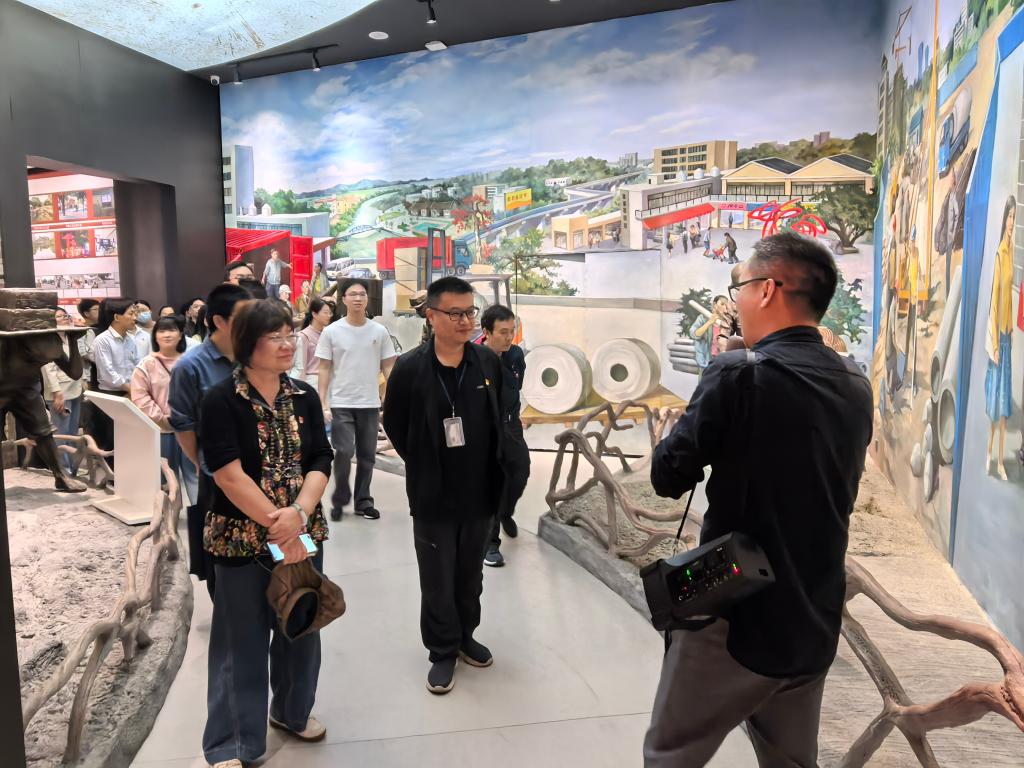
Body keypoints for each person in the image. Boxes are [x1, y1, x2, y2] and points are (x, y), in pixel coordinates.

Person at [643, 232, 872, 767]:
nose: (737, 300)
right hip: (813, 613)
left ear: (767, 289)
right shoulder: (854, 382)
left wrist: (687, 413)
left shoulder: (738, 373)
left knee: (670, 755)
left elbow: (667, 475)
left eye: (739, 287)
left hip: (734, 609)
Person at [198, 299, 332, 766]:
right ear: (246, 343)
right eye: (274, 336)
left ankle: (292, 712)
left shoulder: (304, 395)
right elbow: (227, 474)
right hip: (240, 537)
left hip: (303, 527)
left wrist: (300, 513)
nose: (286, 344)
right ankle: (233, 743)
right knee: (241, 639)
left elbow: (321, 457)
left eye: (289, 334)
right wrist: (281, 524)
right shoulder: (220, 399)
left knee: (301, 623)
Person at [382, 276, 506, 695]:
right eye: (455, 313)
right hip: (433, 493)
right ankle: (442, 650)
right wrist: (422, 463)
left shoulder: (486, 363)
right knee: (437, 575)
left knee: (470, 574)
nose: (466, 321)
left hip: (480, 491)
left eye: (470, 312)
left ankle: (465, 635)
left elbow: (501, 417)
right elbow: (394, 423)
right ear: (431, 316)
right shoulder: (410, 369)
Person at [169, 283, 255, 597]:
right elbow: (183, 426)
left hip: (261, 472)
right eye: (245, 317)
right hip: (219, 477)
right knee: (223, 557)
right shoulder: (190, 367)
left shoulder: (255, 356)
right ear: (219, 320)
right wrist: (203, 463)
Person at [316, 278, 397, 521]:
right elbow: (324, 368)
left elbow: (389, 367)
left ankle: (363, 501)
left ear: (367, 299)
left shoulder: (379, 331)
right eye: (353, 294)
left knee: (367, 454)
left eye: (362, 294)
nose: (358, 298)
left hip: (369, 403)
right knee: (343, 450)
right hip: (341, 402)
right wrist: (323, 402)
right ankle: (340, 498)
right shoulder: (332, 332)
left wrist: (392, 398)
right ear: (344, 299)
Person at [478, 305, 530, 568]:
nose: (509, 337)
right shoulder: (474, 358)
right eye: (503, 332)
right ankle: (491, 544)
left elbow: (515, 389)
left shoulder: (516, 355)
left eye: (512, 331)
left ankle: (505, 511)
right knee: (492, 483)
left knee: (521, 471)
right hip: (485, 429)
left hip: (511, 426)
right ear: (487, 332)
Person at [131, 314, 189, 482]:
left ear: (181, 335)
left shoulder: (191, 361)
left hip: (191, 429)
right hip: (162, 430)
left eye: (172, 330)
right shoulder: (146, 365)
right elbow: (140, 397)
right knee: (165, 480)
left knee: (195, 478)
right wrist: (161, 419)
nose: (167, 335)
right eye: (162, 331)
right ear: (155, 336)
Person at [986, 196, 1015, 481]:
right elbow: (994, 303)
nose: (1012, 222)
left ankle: (1000, 460)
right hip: (998, 341)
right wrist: (994, 344)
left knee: (1004, 404)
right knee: (995, 403)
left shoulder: (1012, 255)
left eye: (1015, 217)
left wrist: (1009, 335)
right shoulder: (999, 255)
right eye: (1010, 216)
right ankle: (989, 452)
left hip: (1007, 337)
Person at [90, 298, 140, 457]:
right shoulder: (102, 340)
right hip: (112, 396)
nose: (135, 317)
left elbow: (136, 365)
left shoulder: (130, 339)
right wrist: (131, 389)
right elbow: (107, 374)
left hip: (130, 392)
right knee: (113, 440)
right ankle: (113, 472)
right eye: (131, 314)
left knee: (130, 437)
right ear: (117, 317)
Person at [42, 307, 86, 475]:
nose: (63, 318)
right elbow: (48, 369)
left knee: (73, 432)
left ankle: (74, 467)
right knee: (61, 433)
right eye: (59, 317)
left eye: (64, 315)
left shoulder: (70, 336)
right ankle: (63, 469)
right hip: (59, 393)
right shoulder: (48, 339)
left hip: (75, 389)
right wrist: (56, 393)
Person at [291, 297, 332, 386]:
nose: (329, 315)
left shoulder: (329, 334)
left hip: (329, 380)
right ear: (314, 314)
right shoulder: (304, 336)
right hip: (312, 382)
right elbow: (300, 366)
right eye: (325, 312)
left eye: (330, 313)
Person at [690, 296, 730, 373]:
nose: (725, 307)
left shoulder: (727, 322)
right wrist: (710, 322)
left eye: (726, 305)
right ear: (714, 304)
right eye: (722, 304)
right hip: (706, 363)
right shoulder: (703, 318)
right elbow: (694, 335)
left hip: (723, 364)